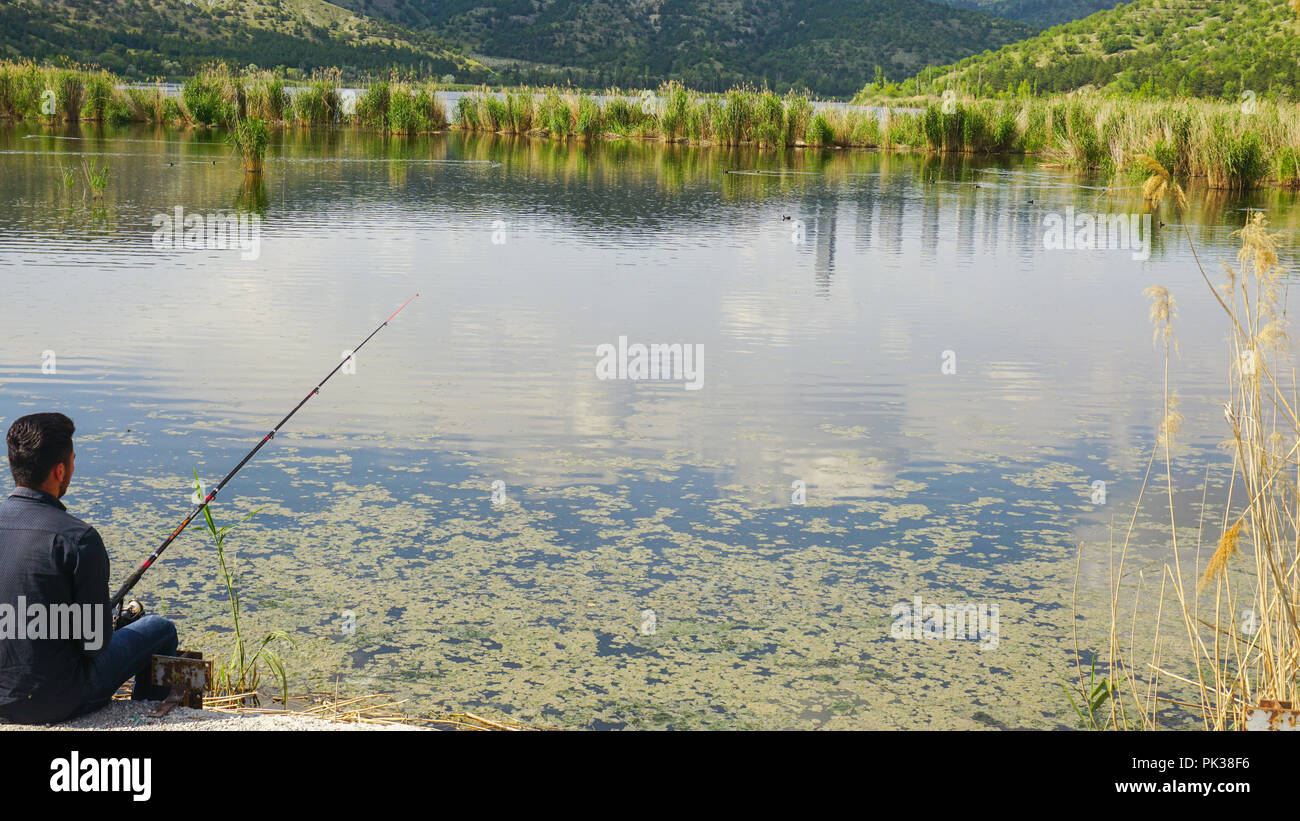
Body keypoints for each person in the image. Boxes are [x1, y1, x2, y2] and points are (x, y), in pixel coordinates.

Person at [0, 412, 177, 724]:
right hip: (57, 701)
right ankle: (144, 718)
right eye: (72, 460)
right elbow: (93, 644)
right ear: (60, 470)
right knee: (160, 629)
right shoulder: (78, 539)